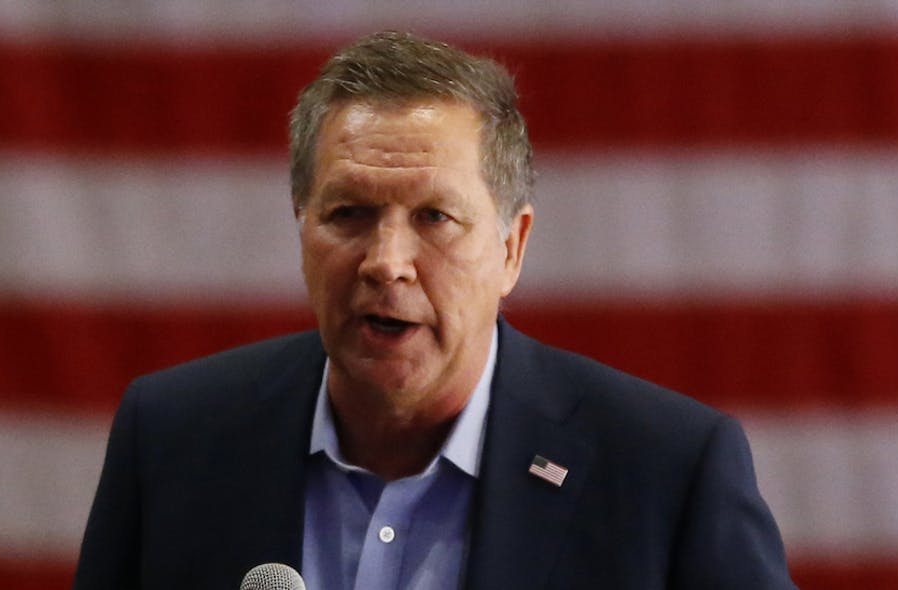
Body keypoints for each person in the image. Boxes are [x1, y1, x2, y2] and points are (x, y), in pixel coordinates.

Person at [72, 31, 795, 589]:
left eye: (435, 218)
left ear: (512, 248)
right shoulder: (171, 441)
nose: (386, 260)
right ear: (301, 225)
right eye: (348, 212)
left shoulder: (665, 472)